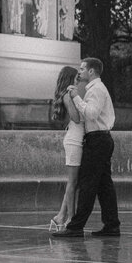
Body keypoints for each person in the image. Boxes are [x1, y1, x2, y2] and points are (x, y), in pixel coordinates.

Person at [52, 57, 119, 238]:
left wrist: (75, 98)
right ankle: (112, 225)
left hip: (97, 140)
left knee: (88, 184)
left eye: (82, 69)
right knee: (104, 185)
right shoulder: (94, 89)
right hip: (99, 139)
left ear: (91, 71)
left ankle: (75, 226)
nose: (79, 71)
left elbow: (90, 113)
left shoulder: (96, 89)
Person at [49, 65, 84, 232]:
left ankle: (60, 217)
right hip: (74, 141)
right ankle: (70, 219)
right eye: (76, 78)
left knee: (75, 183)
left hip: (76, 139)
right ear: (70, 79)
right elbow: (77, 118)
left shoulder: (68, 95)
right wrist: (77, 98)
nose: (78, 81)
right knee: (72, 182)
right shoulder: (68, 96)